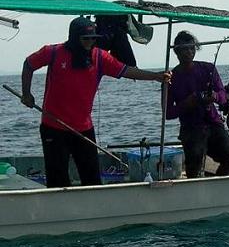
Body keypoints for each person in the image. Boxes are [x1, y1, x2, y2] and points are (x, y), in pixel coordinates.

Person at [21, 16, 171, 188]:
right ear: (74, 37)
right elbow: (29, 64)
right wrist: (27, 94)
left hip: (84, 128)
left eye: (93, 39)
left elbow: (127, 71)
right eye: (86, 39)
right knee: (57, 179)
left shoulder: (100, 57)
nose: (90, 42)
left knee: (92, 179)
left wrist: (156, 76)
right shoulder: (53, 52)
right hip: (53, 126)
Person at [165, 31, 229, 178]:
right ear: (177, 51)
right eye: (185, 49)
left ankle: (218, 186)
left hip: (213, 123)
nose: (189, 52)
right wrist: (187, 103)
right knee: (194, 168)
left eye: (192, 48)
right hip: (191, 128)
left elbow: (223, 96)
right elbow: (168, 113)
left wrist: (214, 96)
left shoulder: (208, 69)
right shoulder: (171, 78)